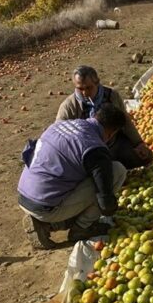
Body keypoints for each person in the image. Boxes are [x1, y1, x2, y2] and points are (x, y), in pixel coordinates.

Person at [18, 103, 129, 249]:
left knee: (82, 173)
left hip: (24, 196)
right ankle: (80, 228)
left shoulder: (60, 125)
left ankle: (43, 223)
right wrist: (113, 211)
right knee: (117, 171)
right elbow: (105, 202)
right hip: (45, 206)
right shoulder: (95, 148)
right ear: (111, 133)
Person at [57, 66, 153, 170]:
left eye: (88, 88)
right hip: (87, 152)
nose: (84, 93)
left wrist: (138, 143)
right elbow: (59, 136)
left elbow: (125, 121)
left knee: (145, 157)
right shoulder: (69, 106)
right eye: (80, 89)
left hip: (114, 144)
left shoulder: (111, 96)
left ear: (97, 83)